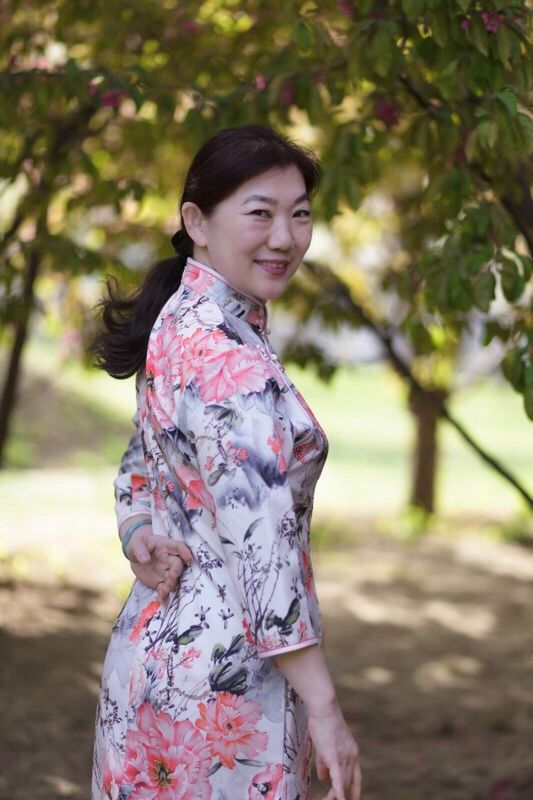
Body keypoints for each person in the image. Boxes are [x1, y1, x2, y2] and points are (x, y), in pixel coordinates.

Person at [90, 124, 361, 800]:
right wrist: (324, 707)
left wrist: (137, 531)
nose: (284, 237)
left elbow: (140, 461)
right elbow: (261, 546)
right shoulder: (229, 359)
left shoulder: (183, 324)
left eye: (299, 214)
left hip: (149, 666)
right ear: (197, 222)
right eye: (260, 213)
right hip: (223, 690)